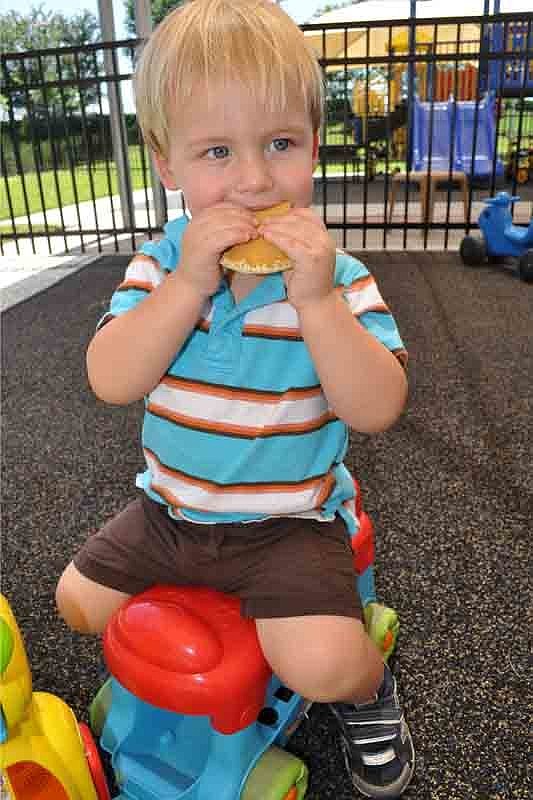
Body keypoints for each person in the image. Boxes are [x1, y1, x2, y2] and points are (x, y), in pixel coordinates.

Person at [55, 1, 414, 796]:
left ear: (313, 148)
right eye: (218, 150)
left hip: (285, 521)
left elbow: (377, 406)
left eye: (279, 144)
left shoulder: (338, 279)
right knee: (76, 603)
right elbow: (111, 379)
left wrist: (318, 306)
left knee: (319, 664)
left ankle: (369, 693)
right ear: (166, 163)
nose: (253, 180)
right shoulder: (159, 269)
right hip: (169, 509)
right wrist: (187, 283)